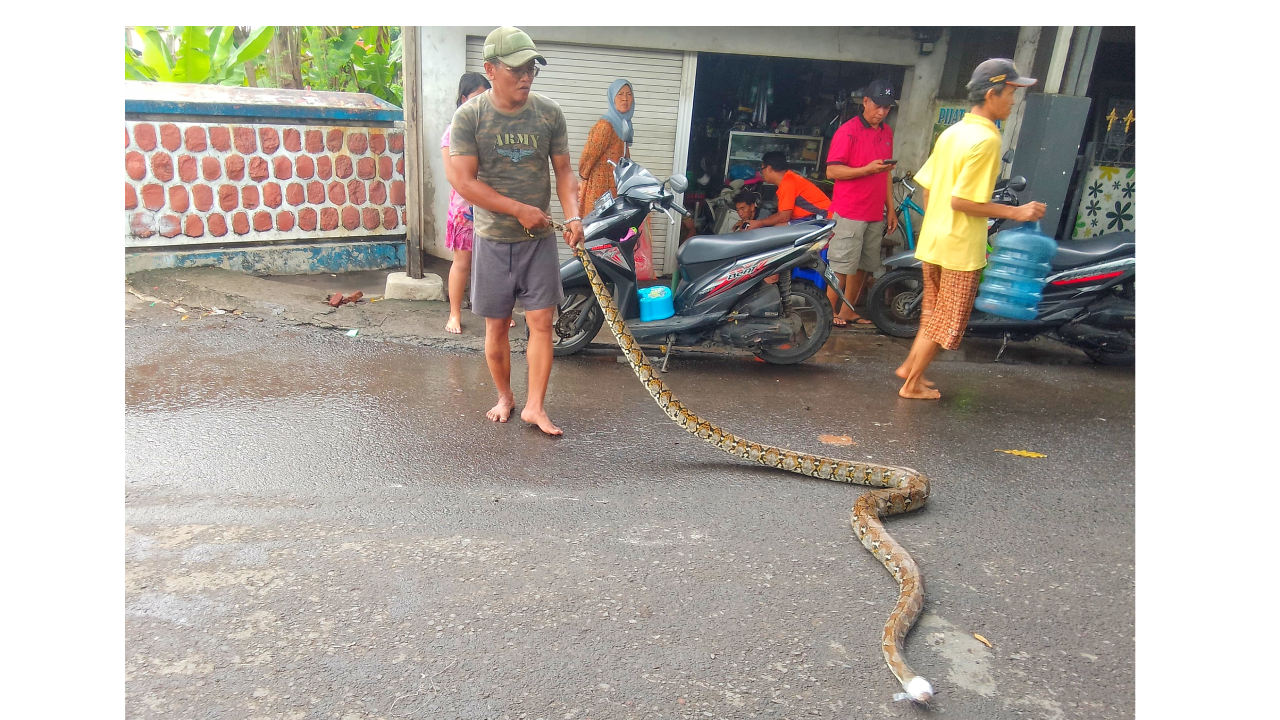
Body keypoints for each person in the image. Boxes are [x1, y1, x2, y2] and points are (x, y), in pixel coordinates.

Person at [448, 26, 584, 434]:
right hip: (492, 239)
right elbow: (464, 181)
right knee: (496, 326)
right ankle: (505, 395)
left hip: (537, 241)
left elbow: (564, 172)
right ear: (490, 69)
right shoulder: (469, 116)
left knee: (542, 322)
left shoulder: (548, 113)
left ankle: (535, 406)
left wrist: (574, 216)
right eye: (516, 69)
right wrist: (517, 209)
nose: (526, 77)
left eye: (531, 68)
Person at [895, 59, 1046, 400]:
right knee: (948, 318)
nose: (1012, 100)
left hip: (934, 238)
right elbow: (963, 201)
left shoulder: (953, 132)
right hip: (960, 246)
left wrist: (939, 220)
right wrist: (1017, 212)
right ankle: (912, 383)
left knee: (933, 312)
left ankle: (910, 368)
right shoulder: (987, 140)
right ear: (992, 94)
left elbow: (930, 188)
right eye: (1009, 93)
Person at [823, 79, 899, 327]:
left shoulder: (886, 132)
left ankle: (847, 311)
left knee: (864, 266)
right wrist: (866, 170)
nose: (881, 112)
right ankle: (827, 314)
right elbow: (832, 172)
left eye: (887, 108)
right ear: (865, 101)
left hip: (874, 212)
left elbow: (886, 172)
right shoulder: (847, 131)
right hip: (849, 211)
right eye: (878, 106)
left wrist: (891, 209)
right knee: (842, 265)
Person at [441, 72, 500, 335]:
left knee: (494, 263)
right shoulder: (452, 132)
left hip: (491, 205)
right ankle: (454, 314)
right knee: (463, 263)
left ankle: (498, 313)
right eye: (476, 97)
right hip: (465, 209)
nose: (482, 103)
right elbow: (453, 175)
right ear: (464, 99)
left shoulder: (490, 128)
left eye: (485, 97)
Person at [578, 79, 634, 216]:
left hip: (616, 188)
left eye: (628, 94)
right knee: (597, 226)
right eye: (620, 94)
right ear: (612, 99)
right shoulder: (605, 126)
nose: (625, 99)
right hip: (600, 188)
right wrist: (584, 180)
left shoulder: (625, 125)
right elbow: (588, 157)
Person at [739, 152, 830, 230]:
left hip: (823, 218)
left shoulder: (788, 182)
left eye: (762, 170)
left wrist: (759, 223)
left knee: (778, 228)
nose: (762, 174)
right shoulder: (788, 179)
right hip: (815, 217)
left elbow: (783, 217)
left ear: (769, 169)